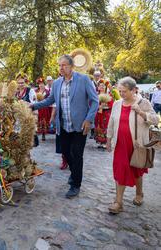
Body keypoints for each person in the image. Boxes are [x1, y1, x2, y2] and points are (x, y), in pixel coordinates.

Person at [31, 54, 99, 198]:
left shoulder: (84, 79)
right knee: (66, 153)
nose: (61, 68)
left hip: (81, 125)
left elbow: (95, 101)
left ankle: (75, 184)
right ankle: (75, 173)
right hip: (63, 125)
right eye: (59, 65)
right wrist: (32, 106)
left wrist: (89, 119)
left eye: (64, 65)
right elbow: (49, 100)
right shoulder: (56, 83)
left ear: (71, 66)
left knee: (77, 154)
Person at [106, 77, 159, 214]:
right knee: (120, 170)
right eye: (120, 91)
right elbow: (111, 122)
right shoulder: (117, 104)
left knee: (136, 170)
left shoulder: (143, 102)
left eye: (124, 91)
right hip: (120, 145)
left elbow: (155, 120)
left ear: (133, 90)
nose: (121, 94)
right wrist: (108, 139)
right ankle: (118, 202)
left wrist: (141, 112)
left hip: (136, 145)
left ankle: (139, 193)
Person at [15, 72, 39, 146]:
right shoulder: (16, 92)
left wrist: (23, 103)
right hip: (18, 120)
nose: (20, 84)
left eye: (22, 83)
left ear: (26, 82)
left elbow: (35, 104)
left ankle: (27, 157)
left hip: (27, 118)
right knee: (19, 142)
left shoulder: (30, 91)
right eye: (18, 83)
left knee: (27, 143)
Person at [94, 81, 114, 148]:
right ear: (98, 87)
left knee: (106, 125)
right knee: (99, 125)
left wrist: (106, 105)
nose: (102, 87)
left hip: (106, 113)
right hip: (99, 113)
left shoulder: (108, 95)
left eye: (103, 85)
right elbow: (92, 104)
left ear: (105, 87)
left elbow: (111, 104)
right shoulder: (95, 95)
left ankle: (106, 141)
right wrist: (99, 107)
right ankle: (100, 141)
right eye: (100, 85)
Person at [50, 105, 68, 170]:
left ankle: (72, 160)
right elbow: (55, 106)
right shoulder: (58, 94)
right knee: (63, 143)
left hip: (73, 121)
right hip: (61, 121)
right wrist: (52, 117)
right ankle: (64, 161)